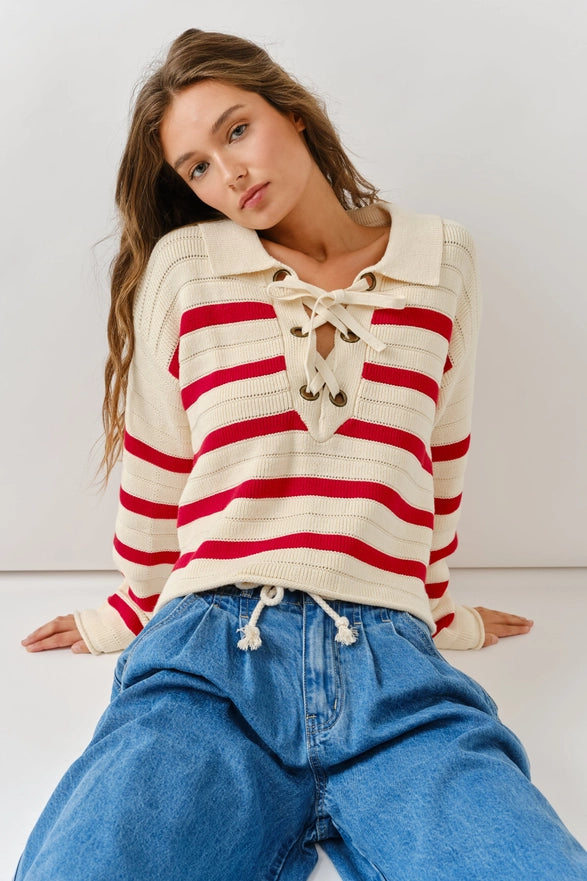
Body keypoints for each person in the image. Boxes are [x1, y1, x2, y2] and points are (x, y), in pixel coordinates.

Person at [17, 28, 586, 881]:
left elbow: (439, 454)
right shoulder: (186, 267)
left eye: (236, 130)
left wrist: (436, 610)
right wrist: (128, 612)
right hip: (209, 659)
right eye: (197, 167)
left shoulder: (441, 258)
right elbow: (157, 465)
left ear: (291, 112)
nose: (228, 172)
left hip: (393, 672)